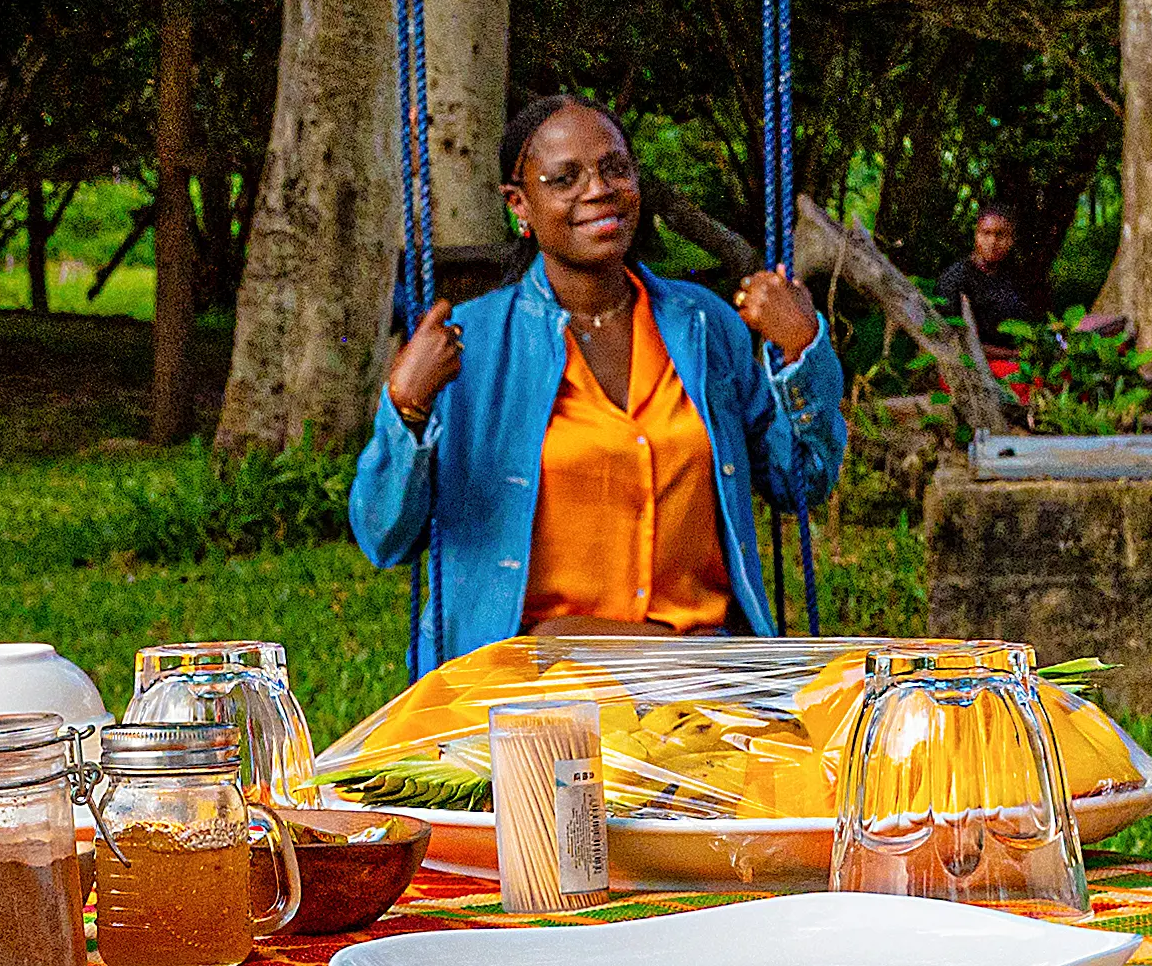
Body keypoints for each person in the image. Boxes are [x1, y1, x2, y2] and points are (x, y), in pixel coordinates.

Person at [346, 93, 846, 661]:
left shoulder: (704, 326)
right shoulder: (470, 345)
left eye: (615, 169)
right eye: (565, 179)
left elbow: (802, 481)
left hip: (700, 671)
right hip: (537, 680)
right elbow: (385, 538)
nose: (599, 189)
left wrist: (802, 348)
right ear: (520, 205)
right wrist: (405, 408)